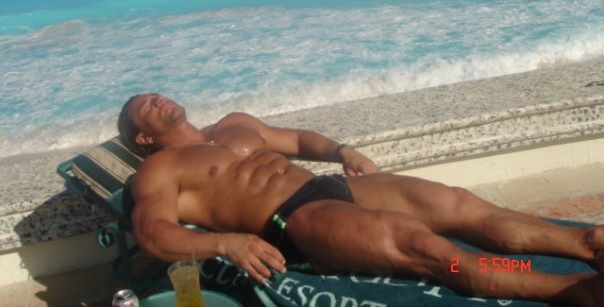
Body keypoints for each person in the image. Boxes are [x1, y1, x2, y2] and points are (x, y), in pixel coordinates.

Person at [118, 93, 604, 305]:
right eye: (145, 106)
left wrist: (341, 151)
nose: (156, 98)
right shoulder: (160, 169)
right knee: (436, 253)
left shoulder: (233, 124)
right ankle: (573, 290)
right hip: (294, 220)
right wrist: (228, 243)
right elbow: (153, 234)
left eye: (155, 93)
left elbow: (297, 140)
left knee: (461, 205)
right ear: (143, 137)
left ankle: (588, 242)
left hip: (335, 187)